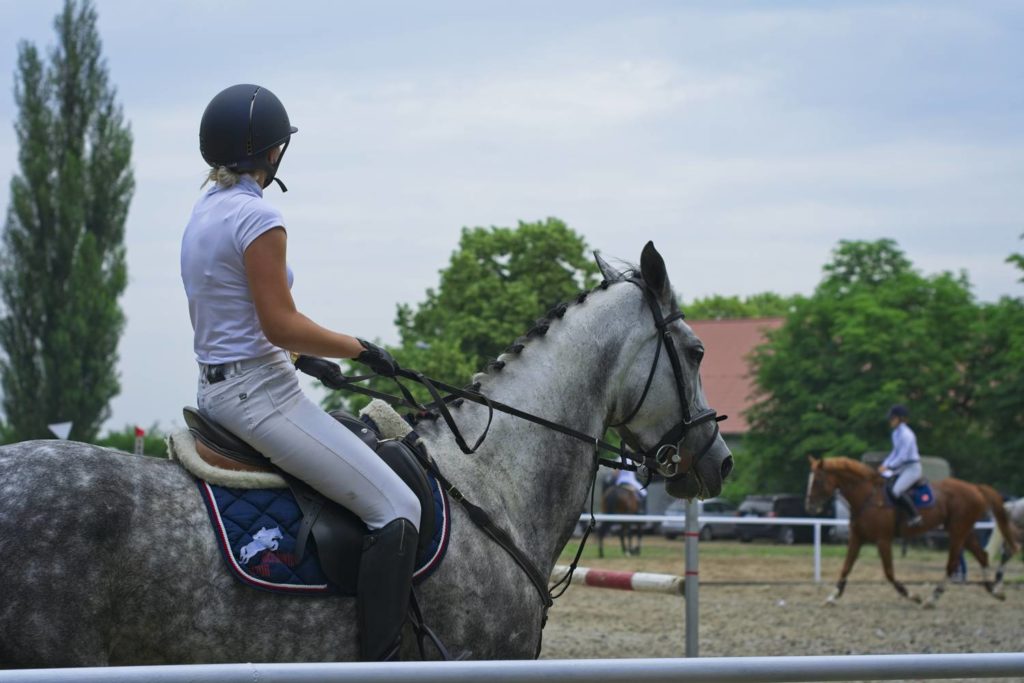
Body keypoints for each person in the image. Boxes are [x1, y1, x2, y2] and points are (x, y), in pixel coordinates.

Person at [181, 84, 421, 661]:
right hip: (260, 398)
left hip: (217, 391)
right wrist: (358, 348)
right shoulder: (259, 216)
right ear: (272, 151)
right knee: (399, 509)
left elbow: (240, 318)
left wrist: (305, 359)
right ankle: (384, 666)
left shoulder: (204, 211)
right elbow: (281, 323)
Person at [877, 404, 923, 527]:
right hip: (901, 468)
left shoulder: (907, 435)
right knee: (885, 485)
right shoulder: (896, 433)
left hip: (911, 468)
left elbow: (902, 456)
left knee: (896, 491)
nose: (890, 421)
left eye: (892, 418)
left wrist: (889, 467)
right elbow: (894, 453)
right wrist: (884, 465)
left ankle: (915, 516)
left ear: (900, 419)